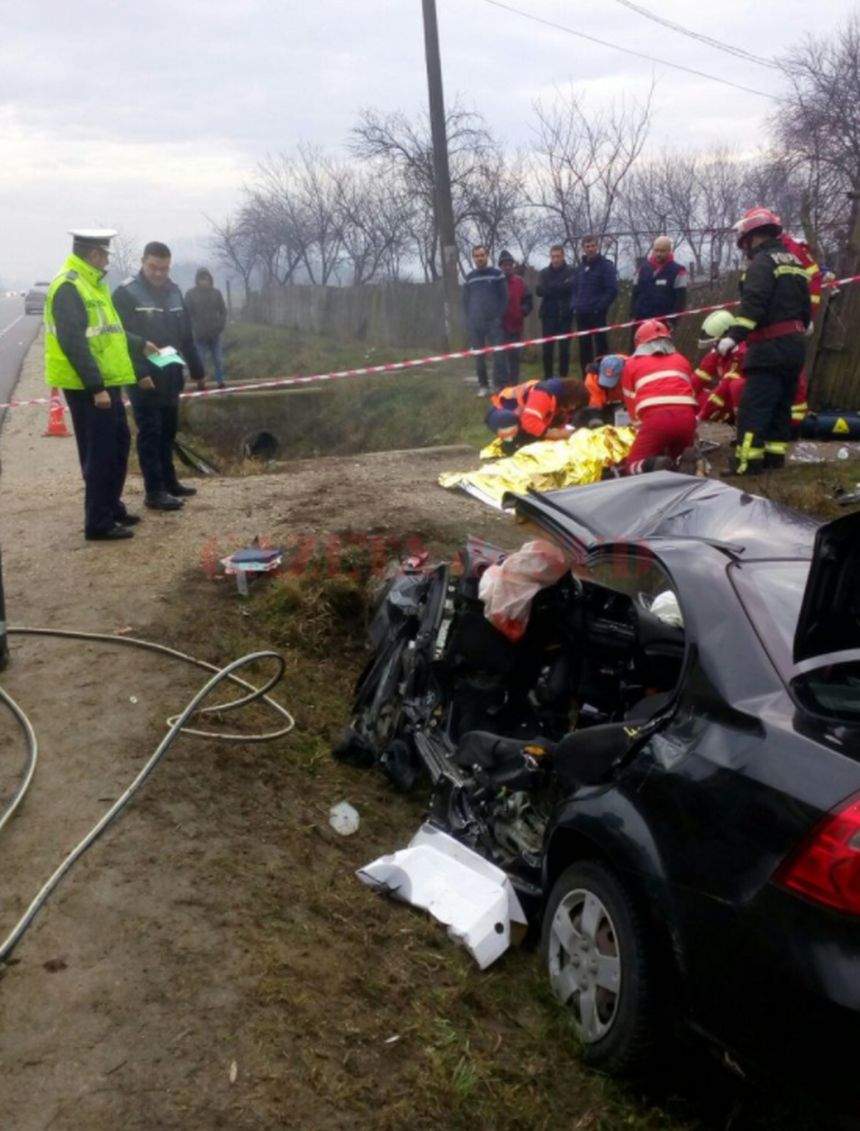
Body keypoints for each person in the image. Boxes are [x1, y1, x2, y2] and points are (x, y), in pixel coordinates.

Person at [43, 229, 156, 541]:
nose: (107, 259)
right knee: (100, 453)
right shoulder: (69, 286)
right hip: (89, 387)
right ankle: (98, 522)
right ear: (93, 254)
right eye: (105, 254)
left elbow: (110, 331)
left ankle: (111, 507)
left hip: (107, 382)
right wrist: (96, 388)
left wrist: (140, 343)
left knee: (118, 445)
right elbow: (73, 342)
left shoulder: (92, 284)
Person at [717, 207, 811, 474]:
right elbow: (806, 307)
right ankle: (774, 460)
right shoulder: (794, 261)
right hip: (794, 347)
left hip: (769, 348)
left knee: (754, 408)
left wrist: (732, 338)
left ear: (751, 237)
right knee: (781, 405)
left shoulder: (762, 263)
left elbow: (753, 306)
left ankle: (747, 463)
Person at [113, 241, 206, 509]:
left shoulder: (175, 292)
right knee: (150, 434)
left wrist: (198, 371)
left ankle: (169, 482)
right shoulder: (126, 294)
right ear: (143, 261)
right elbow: (122, 340)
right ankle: (154, 492)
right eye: (154, 267)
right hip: (145, 377)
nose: (159, 273)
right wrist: (139, 373)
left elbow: (186, 337)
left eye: (164, 268)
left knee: (168, 431)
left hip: (171, 373)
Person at [621, 319, 698, 474]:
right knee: (677, 455)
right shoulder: (682, 360)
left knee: (631, 466)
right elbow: (691, 391)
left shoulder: (631, 364)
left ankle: (654, 466)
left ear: (639, 343)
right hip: (686, 417)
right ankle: (685, 458)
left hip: (656, 418)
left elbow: (631, 401)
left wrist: (639, 427)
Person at [462, 245, 508, 396]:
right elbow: (465, 301)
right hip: (476, 323)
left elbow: (504, 298)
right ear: (473, 258)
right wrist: (469, 320)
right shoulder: (469, 278)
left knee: (498, 354)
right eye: (476, 256)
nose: (479, 258)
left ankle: (499, 385)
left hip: (494, 322)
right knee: (479, 356)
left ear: (487, 256)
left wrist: (498, 316)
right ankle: (483, 385)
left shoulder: (497, 274)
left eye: (482, 255)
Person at [485, 377, 588, 446]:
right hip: (501, 412)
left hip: (521, 418)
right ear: (570, 396)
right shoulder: (544, 393)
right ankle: (510, 447)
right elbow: (529, 421)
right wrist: (553, 433)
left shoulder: (560, 399)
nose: (573, 408)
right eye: (574, 403)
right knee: (508, 421)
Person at [570, 236, 618, 372]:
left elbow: (612, 290)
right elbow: (574, 288)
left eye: (592, 246)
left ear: (597, 247)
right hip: (581, 314)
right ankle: (586, 379)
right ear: (583, 248)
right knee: (584, 349)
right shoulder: (580, 268)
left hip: (598, 314)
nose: (590, 249)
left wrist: (599, 307)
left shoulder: (606, 266)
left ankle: (604, 379)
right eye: (587, 246)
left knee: (601, 348)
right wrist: (574, 305)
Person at [631, 236, 688, 329]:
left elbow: (681, 299)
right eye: (656, 250)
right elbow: (635, 293)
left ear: (669, 251)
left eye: (662, 251)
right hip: (641, 320)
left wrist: (672, 320)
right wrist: (633, 314)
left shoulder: (679, 271)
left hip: (663, 322)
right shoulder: (642, 269)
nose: (658, 254)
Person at [536, 245, 575, 379]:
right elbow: (539, 291)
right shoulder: (544, 273)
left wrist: (551, 287)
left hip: (565, 316)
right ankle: (548, 378)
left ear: (563, 256)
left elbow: (570, 288)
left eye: (558, 256)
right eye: (553, 257)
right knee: (547, 350)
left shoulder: (571, 271)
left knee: (564, 350)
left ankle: (563, 379)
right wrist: (560, 286)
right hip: (548, 316)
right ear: (550, 257)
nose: (556, 259)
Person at [185, 268, 228, 388]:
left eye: (206, 278)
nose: (204, 281)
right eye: (202, 279)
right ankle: (201, 383)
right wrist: (192, 329)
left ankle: (221, 382)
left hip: (215, 334)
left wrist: (220, 325)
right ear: (197, 280)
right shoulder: (190, 294)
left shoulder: (216, 293)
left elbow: (223, 311)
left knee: (218, 360)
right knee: (200, 361)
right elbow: (186, 314)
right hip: (199, 335)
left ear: (210, 279)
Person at [498, 251, 533, 381]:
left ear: (512, 266)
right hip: (499, 328)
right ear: (500, 266)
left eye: (509, 264)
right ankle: (501, 385)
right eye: (504, 264)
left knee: (514, 358)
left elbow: (528, 301)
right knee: (500, 358)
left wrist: (522, 311)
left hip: (515, 327)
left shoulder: (520, 282)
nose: (507, 267)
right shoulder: (496, 282)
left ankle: (514, 385)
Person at [583, 354, 626, 423]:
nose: (609, 386)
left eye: (613, 379)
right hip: (605, 405)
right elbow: (595, 405)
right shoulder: (592, 379)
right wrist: (596, 419)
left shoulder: (635, 372)